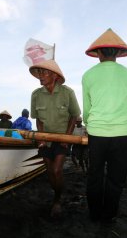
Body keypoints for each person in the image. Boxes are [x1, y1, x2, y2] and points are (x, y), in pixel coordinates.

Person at [82, 28, 127, 223]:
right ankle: (109, 215)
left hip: (97, 133)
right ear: (118, 53)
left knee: (95, 176)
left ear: (98, 53)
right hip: (123, 134)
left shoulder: (88, 75)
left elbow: (87, 108)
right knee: (116, 178)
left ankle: (95, 214)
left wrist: (89, 123)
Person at [30, 59, 81, 218]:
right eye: (39, 72)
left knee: (57, 170)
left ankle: (57, 200)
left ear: (54, 75)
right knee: (49, 171)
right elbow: (38, 118)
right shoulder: (36, 95)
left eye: (44, 72)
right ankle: (57, 192)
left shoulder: (67, 93)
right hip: (45, 139)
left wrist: (66, 137)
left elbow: (74, 115)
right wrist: (41, 138)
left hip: (62, 139)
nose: (40, 75)